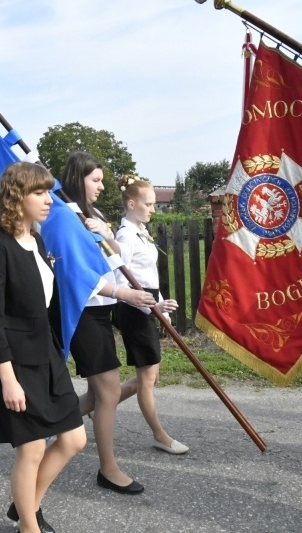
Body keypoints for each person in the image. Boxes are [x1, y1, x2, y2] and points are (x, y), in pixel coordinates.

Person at [0, 161, 86, 533]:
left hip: (47, 355)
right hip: (17, 364)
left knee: (74, 438)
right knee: (32, 449)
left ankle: (26, 507)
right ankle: (29, 526)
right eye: (38, 192)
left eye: (48, 192)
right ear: (16, 196)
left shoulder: (37, 240)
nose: (48, 200)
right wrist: (7, 379)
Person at [58, 151, 156, 494]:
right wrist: (125, 294)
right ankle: (108, 469)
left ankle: (47, 429)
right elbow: (74, 273)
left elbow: (117, 259)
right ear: (77, 178)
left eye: (101, 180)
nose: (101, 186)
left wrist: (107, 235)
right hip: (83, 312)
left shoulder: (92, 214)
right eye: (95, 180)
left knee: (98, 393)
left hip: (102, 311)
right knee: (110, 392)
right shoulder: (63, 216)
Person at [112, 174, 188, 455]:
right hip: (133, 311)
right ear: (132, 204)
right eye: (149, 203)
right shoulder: (124, 236)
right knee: (147, 378)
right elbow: (122, 282)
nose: (154, 209)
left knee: (150, 377)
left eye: (154, 204)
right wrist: (150, 305)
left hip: (148, 306)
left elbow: (147, 277)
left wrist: (161, 306)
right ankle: (160, 435)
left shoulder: (141, 232)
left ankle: (100, 404)